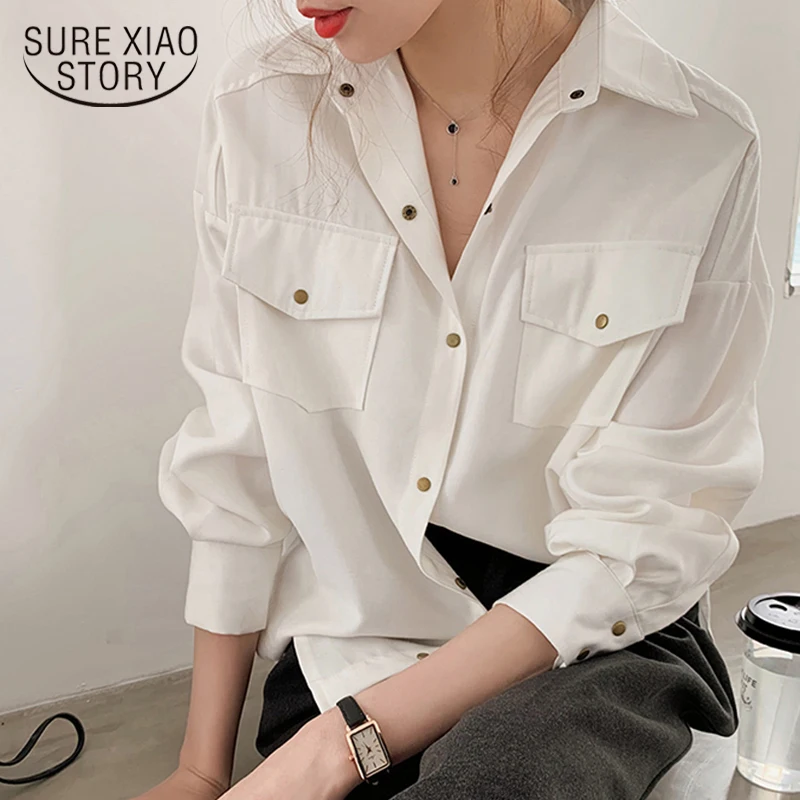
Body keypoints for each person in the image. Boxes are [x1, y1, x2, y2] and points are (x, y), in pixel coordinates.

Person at [137, 0, 775, 797]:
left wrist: (338, 746)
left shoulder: (695, 143)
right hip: (355, 646)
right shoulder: (260, 108)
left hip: (592, 651)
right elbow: (236, 461)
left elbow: (645, 534)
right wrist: (200, 769)